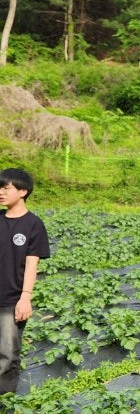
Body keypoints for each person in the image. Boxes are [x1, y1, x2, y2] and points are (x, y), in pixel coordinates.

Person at [0, 168, 50, 400]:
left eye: (5, 188)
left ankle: (4, 400)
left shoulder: (33, 225)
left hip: (11, 299)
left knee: (8, 353)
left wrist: (25, 297)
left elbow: (32, 264)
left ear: (23, 191)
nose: (1, 192)